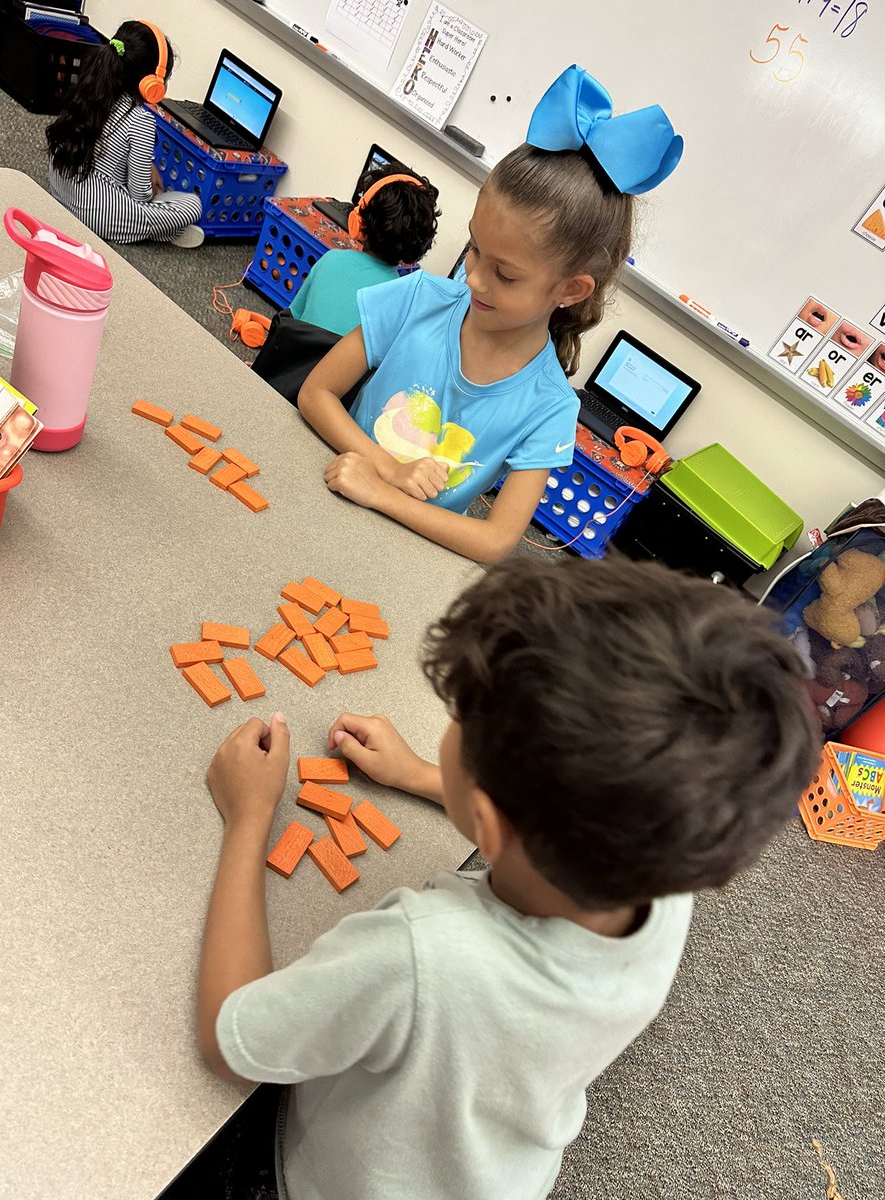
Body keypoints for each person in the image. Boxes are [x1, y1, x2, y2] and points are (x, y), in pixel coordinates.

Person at [196, 553, 821, 1200]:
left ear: (489, 825)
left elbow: (229, 1039)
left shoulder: (423, 953)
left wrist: (250, 817)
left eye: (458, 723)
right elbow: (554, 830)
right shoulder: (664, 877)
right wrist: (419, 777)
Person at [297, 65, 683, 563]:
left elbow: (497, 541)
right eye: (474, 249)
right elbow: (317, 392)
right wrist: (386, 471)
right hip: (325, 491)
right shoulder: (418, 298)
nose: (474, 278)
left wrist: (382, 493)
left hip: (403, 557)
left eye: (506, 274)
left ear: (570, 289)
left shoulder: (550, 407)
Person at [46, 20, 204, 247]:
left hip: (60, 188)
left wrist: (146, 168)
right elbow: (140, 195)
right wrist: (152, 190)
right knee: (191, 205)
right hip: (94, 213)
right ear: (151, 84)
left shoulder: (91, 86)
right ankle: (166, 232)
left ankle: (157, 229)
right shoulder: (141, 120)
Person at [289, 165, 439, 336]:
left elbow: (290, 319)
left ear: (359, 221)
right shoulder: (399, 299)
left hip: (292, 360)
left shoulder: (331, 259)